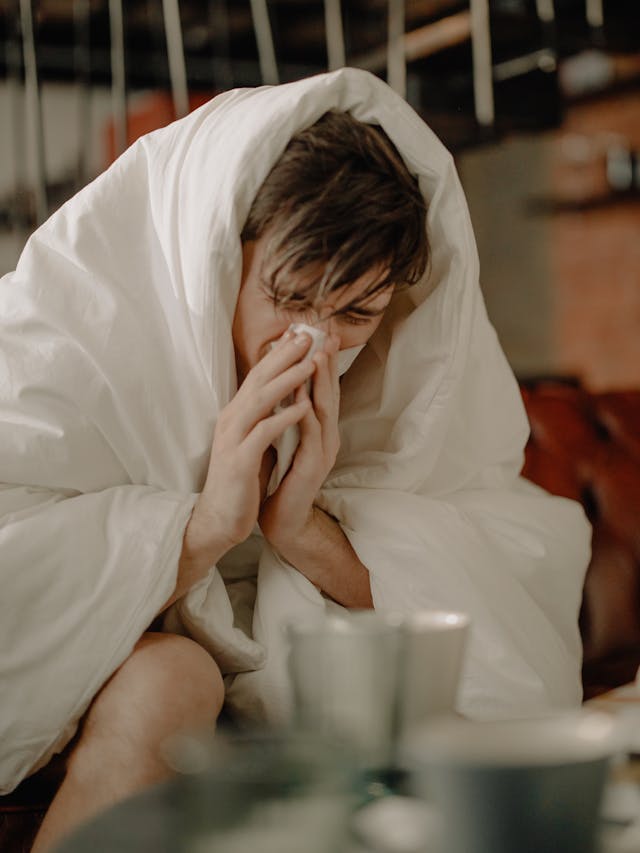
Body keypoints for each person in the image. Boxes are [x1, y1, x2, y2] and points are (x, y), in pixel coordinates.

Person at [0, 68, 590, 851]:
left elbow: (488, 630)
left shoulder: (395, 377)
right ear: (217, 253)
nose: (315, 342)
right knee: (172, 678)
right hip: (109, 680)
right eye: (289, 296)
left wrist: (301, 527)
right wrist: (205, 528)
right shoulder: (58, 344)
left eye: (356, 312)